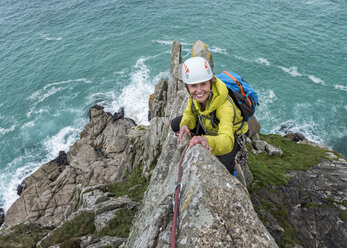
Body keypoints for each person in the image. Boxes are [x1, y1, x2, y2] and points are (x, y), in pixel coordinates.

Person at [171, 56, 248, 174]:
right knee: (175, 124)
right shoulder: (194, 97)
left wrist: (206, 140)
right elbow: (189, 112)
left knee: (222, 165)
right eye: (193, 86)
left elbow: (227, 141)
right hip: (210, 125)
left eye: (203, 84)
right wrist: (184, 124)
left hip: (231, 135)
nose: (199, 90)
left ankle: (233, 170)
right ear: (187, 87)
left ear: (211, 83)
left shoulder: (225, 106)